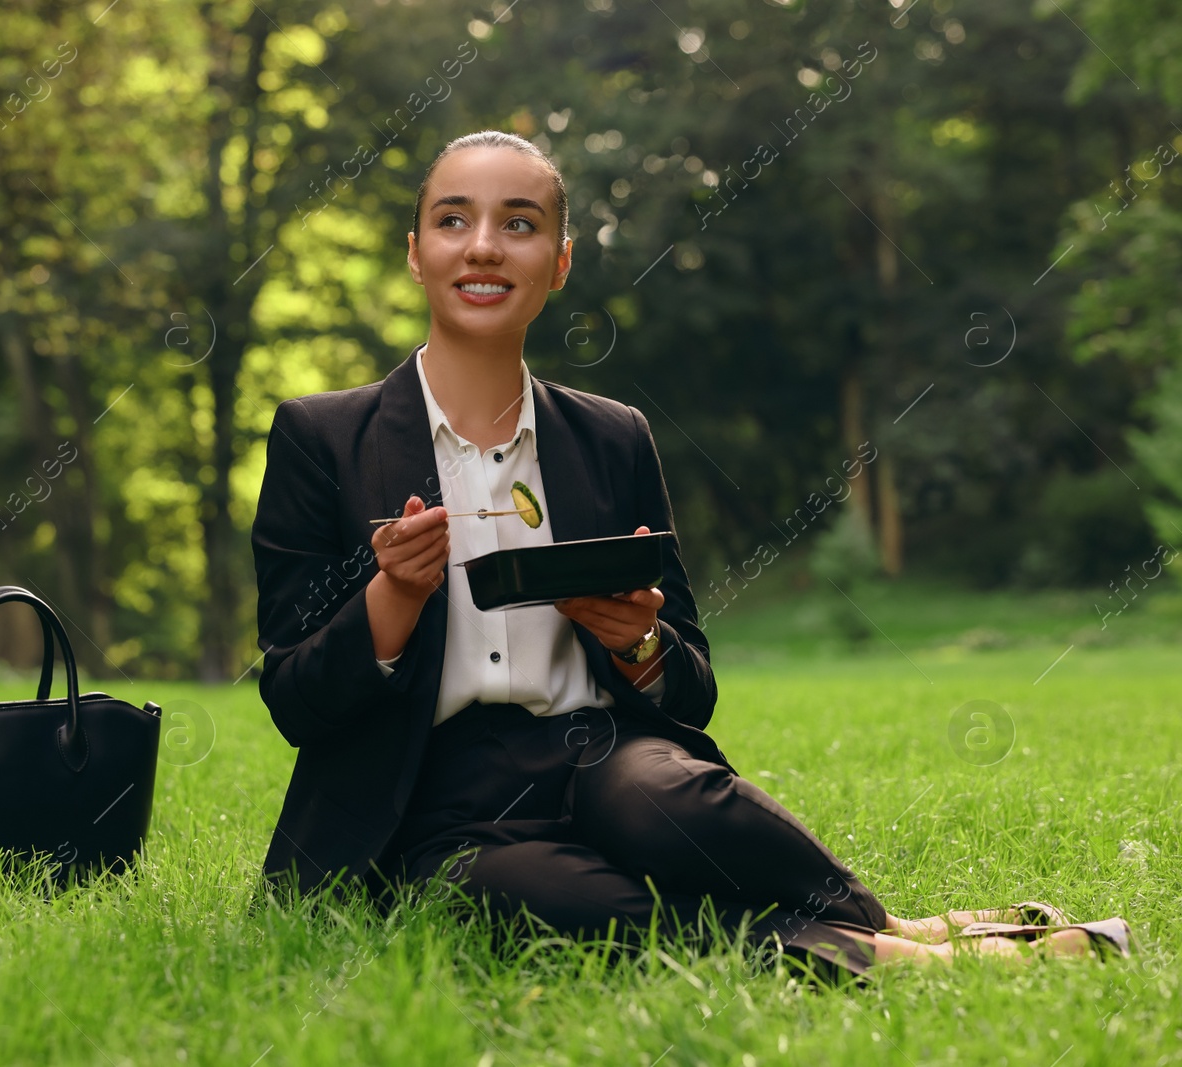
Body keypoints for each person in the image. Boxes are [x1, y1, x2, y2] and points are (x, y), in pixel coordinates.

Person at [249, 129, 1131, 977]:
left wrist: (636, 642)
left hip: (597, 750)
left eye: (519, 223)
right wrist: (392, 599)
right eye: (453, 220)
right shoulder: (320, 437)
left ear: (558, 262)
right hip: (432, 807)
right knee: (554, 901)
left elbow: (693, 687)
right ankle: (912, 957)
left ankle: (882, 920)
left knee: (668, 794)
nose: (484, 247)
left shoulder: (611, 437)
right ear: (416, 252)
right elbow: (294, 698)